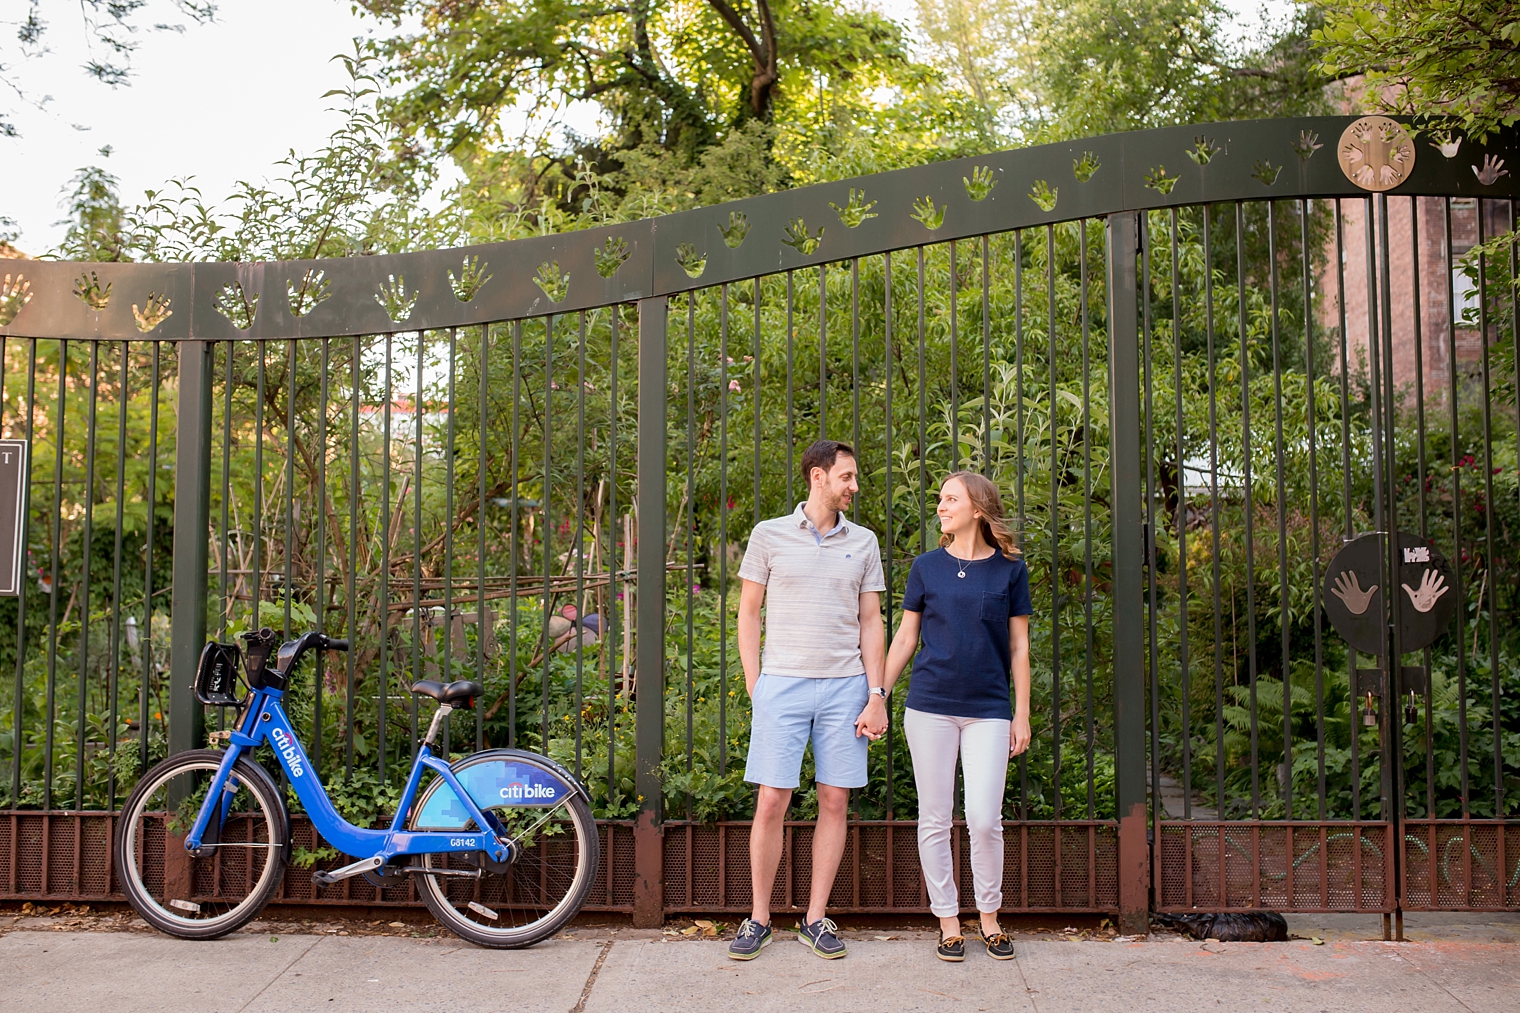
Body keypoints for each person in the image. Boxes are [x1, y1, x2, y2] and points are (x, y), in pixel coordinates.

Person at [728, 440, 888, 961]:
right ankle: (758, 918)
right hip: (783, 684)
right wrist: (757, 683)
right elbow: (748, 613)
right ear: (818, 477)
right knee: (771, 800)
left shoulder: (863, 542)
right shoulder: (768, 535)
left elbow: (871, 621)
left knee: (834, 800)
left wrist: (876, 694)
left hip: (845, 688)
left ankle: (816, 918)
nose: (854, 487)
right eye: (847, 477)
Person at [881, 471, 1032, 962]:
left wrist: (1022, 713)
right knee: (935, 817)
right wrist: (877, 694)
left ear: (978, 508)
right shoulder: (926, 567)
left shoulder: (1010, 569)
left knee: (985, 819)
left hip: (988, 709)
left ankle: (989, 917)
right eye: (940, 499)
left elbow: (1019, 646)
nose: (941, 506)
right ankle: (948, 921)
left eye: (951, 499)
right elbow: (905, 638)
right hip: (929, 707)